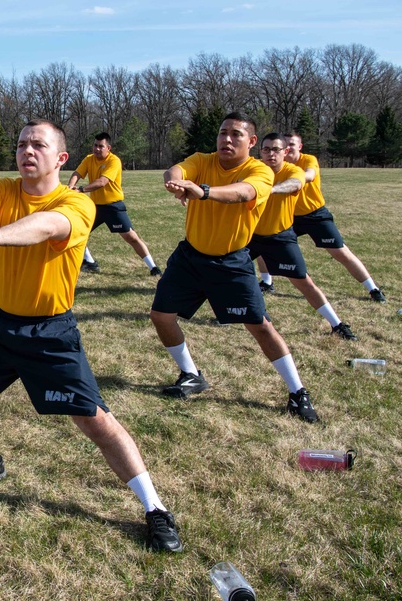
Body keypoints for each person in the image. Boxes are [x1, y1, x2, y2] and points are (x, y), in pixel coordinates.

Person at [0, 119, 182, 553]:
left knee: (95, 421)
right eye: (22, 143)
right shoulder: (4, 187)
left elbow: (43, 227)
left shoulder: (77, 204)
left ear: (60, 158)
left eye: (38, 145)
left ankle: (155, 508)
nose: (27, 151)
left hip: (48, 330)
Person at [151, 112, 318, 423]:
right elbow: (175, 169)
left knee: (260, 326)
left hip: (231, 261)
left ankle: (297, 392)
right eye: (222, 132)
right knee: (160, 316)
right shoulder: (203, 159)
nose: (226, 139)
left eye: (236, 134)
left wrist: (204, 191)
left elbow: (244, 193)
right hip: (190, 256)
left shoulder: (260, 171)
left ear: (252, 142)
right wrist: (174, 182)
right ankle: (191, 374)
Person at [249, 134, 356, 340]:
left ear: (286, 152)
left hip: (280, 237)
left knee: (303, 281)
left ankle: (337, 324)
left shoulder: (293, 170)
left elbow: (295, 185)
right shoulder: (254, 168)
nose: (271, 154)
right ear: (260, 151)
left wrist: (268, 190)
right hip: (249, 236)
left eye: (276, 149)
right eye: (266, 149)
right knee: (225, 273)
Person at [267, 131, 385, 302]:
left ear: (299, 146)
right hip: (289, 216)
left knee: (341, 252)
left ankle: (373, 289)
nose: (289, 147)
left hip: (315, 215)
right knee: (263, 240)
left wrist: (293, 181)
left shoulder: (308, 160)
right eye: (286, 144)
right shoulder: (277, 164)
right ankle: (267, 282)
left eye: (292, 144)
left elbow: (309, 175)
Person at [67, 132, 161, 276]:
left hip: (113, 206)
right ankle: (90, 263)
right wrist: (70, 188)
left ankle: (153, 268)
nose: (97, 149)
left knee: (131, 237)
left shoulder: (114, 161)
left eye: (101, 146)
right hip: (95, 207)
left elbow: (103, 182)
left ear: (108, 148)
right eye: (95, 145)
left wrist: (80, 189)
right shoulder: (89, 159)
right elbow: (77, 173)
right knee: (77, 232)